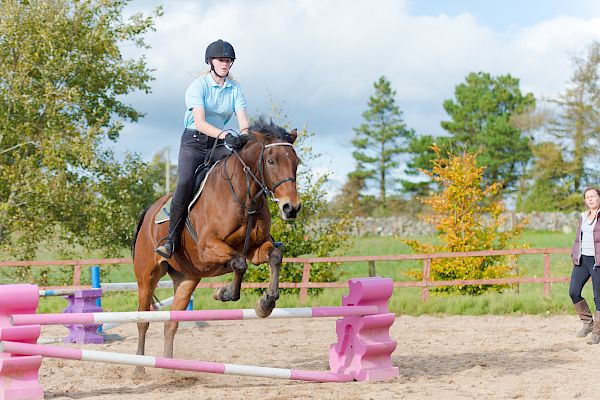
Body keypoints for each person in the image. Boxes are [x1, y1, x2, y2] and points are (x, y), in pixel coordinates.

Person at [155, 39, 249, 259]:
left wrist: (244, 138)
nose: (225, 64)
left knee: (244, 171)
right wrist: (227, 135)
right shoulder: (198, 86)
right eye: (221, 60)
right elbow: (200, 122)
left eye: (228, 60)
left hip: (218, 144)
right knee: (186, 182)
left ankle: (256, 231)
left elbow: (244, 123)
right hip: (194, 142)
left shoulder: (236, 89)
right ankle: (171, 239)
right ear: (211, 62)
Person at [570, 187, 600, 344]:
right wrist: (574, 253)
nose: (590, 199)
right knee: (573, 291)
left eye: (593, 196)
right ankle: (588, 323)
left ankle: (598, 331)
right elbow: (578, 239)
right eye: (587, 197)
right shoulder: (583, 216)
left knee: (598, 297)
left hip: (598, 261)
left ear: (599, 198)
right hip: (582, 260)